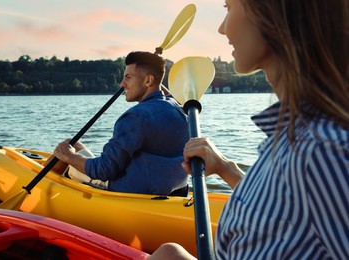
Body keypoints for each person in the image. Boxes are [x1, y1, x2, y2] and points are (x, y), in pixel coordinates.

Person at [150, 0, 349, 259]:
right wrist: (225, 167)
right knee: (169, 253)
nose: (222, 29)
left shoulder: (323, 150)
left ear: (274, 12)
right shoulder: (293, 134)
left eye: (229, 8)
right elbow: (288, 207)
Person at [51, 51, 190, 196]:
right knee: (74, 144)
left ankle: (40, 192)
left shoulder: (136, 117)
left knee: (65, 149)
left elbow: (104, 170)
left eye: (128, 78)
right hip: (172, 188)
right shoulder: (179, 108)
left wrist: (69, 157)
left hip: (130, 189)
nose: (122, 84)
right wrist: (155, 77)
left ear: (148, 81)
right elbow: (163, 93)